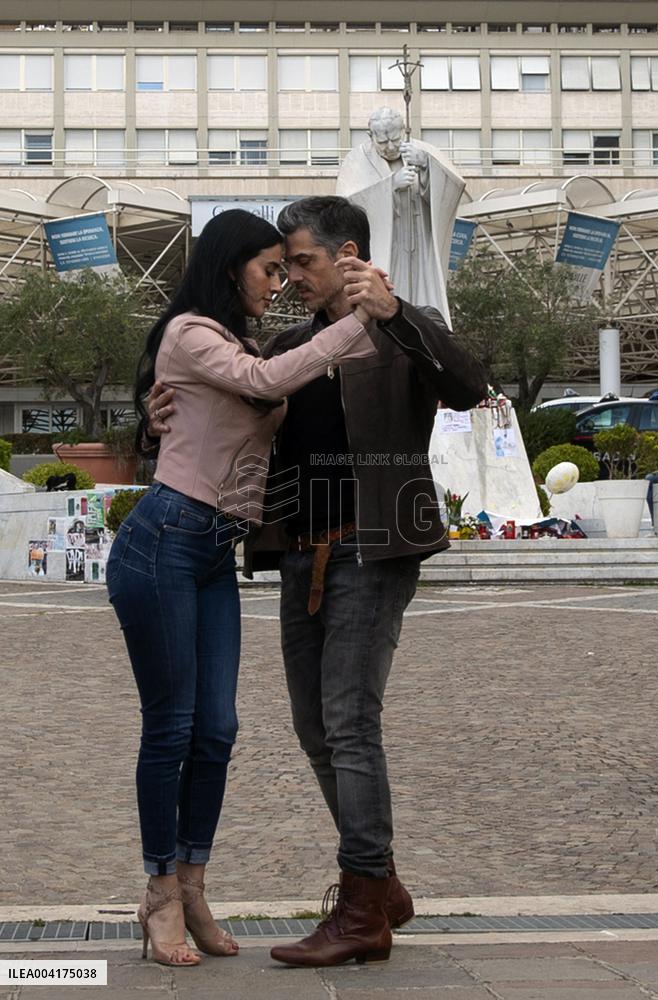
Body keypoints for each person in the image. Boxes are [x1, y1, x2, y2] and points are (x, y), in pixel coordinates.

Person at [145, 196, 486, 968]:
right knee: (313, 728)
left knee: (348, 723)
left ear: (347, 254)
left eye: (301, 260)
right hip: (299, 552)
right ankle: (383, 882)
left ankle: (364, 903)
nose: (291, 275)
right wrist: (153, 414)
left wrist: (395, 312)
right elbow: (218, 419)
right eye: (284, 264)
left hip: (374, 545)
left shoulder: (405, 325)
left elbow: (469, 386)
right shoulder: (294, 345)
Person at [107, 208, 377, 968]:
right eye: (268, 268)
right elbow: (261, 384)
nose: (280, 282)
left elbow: (243, 400)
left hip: (209, 551)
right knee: (172, 727)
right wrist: (357, 318)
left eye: (287, 267)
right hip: (162, 539)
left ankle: (193, 883)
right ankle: (160, 892)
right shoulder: (191, 331)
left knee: (217, 731)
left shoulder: (232, 343)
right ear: (231, 267)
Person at [336, 106, 464, 325]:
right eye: (383, 142)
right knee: (390, 287)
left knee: (424, 296)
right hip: (386, 245)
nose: (390, 147)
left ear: (404, 130)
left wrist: (426, 166)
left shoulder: (423, 151)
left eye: (395, 139)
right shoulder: (356, 160)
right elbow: (345, 205)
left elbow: (453, 189)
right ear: (370, 136)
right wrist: (391, 186)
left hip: (421, 244)